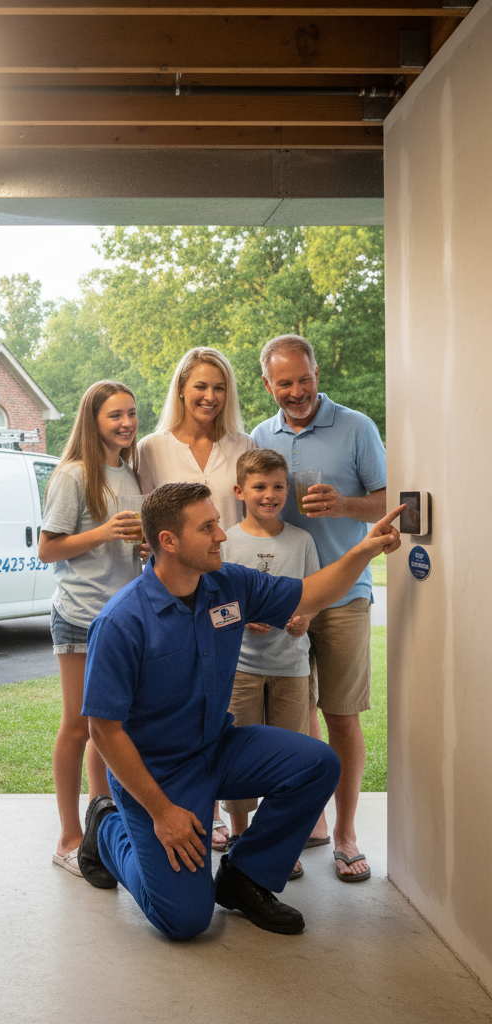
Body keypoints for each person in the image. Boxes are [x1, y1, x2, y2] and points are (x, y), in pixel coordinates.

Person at [77, 483, 402, 938]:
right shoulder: (120, 621)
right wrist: (163, 813)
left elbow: (310, 594)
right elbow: (105, 731)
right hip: (159, 774)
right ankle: (106, 826)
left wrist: (365, 550)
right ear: (169, 541)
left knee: (317, 764)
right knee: (184, 921)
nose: (221, 535)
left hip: (218, 747)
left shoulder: (228, 585)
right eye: (207, 527)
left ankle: (244, 876)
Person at [251, 334, 386, 882]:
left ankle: (347, 834)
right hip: (286, 599)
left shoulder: (357, 427)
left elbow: (389, 500)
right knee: (292, 717)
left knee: (341, 715)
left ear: (315, 373)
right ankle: (308, 822)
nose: (296, 391)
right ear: (268, 384)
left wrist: (345, 504)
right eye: (284, 382)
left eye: (303, 378)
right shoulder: (262, 435)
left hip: (345, 596)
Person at [138, 346, 256, 852]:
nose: (210, 396)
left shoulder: (243, 444)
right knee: (184, 700)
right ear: (182, 389)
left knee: (231, 699)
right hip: (175, 594)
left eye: (219, 387)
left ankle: (238, 820)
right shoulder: (152, 448)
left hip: (230, 585)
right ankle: (193, 811)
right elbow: (149, 522)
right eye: (201, 386)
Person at [37, 381, 147, 882]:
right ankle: (67, 838)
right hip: (81, 615)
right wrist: (104, 532)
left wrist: (142, 548)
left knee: (111, 727)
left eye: (131, 413)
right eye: (114, 415)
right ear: (93, 420)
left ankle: (101, 827)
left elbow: (125, 547)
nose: (126, 423)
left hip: (124, 619)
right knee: (78, 726)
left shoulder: (130, 471)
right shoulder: (74, 475)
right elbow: (48, 549)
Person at [219, 449, 320, 881]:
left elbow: (313, 594)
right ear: (239, 491)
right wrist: (242, 617)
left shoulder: (301, 541)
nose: (269, 494)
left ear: (288, 490)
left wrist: (304, 617)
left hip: (291, 666)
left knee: (291, 755)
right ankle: (240, 834)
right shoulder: (226, 542)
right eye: (259, 486)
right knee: (239, 752)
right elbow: (215, 605)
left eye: (278, 486)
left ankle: (278, 843)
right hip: (240, 668)